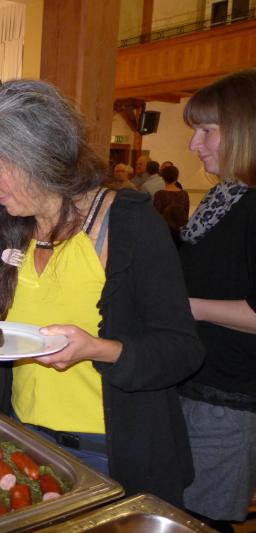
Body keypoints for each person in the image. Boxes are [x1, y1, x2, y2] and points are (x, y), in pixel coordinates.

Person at [0, 79, 203, 507]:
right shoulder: (11, 226)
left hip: (109, 452)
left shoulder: (128, 225)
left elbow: (182, 350)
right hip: (25, 439)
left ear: (39, 154)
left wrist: (97, 349)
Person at [177, 68, 256, 527]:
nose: (194, 144)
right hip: (194, 379)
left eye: (207, 130)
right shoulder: (226, 198)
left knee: (202, 519)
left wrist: (185, 306)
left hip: (229, 397)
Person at [153, 165, 188, 244]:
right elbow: (185, 214)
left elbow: (156, 215)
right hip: (179, 232)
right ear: (177, 177)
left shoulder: (159, 194)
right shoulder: (184, 194)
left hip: (164, 232)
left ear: (163, 177)